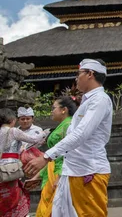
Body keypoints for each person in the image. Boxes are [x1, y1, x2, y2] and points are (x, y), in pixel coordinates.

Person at [24, 58, 113, 217]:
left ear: (90, 74)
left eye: (79, 73)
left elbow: (81, 134)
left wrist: (46, 156)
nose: (76, 78)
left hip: (88, 170)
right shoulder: (87, 102)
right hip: (73, 171)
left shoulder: (100, 100)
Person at [35, 96, 77, 217]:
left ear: (64, 110)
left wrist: (60, 176)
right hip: (53, 170)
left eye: (53, 108)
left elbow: (69, 153)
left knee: (56, 209)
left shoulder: (68, 125)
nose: (51, 111)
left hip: (61, 172)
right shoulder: (63, 125)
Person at [0, 108, 45, 217]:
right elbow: (34, 140)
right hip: (11, 168)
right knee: (14, 196)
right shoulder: (13, 130)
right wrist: (44, 133)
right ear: (13, 120)